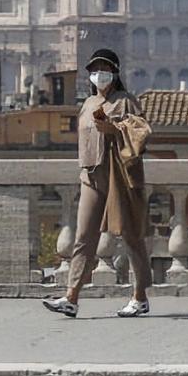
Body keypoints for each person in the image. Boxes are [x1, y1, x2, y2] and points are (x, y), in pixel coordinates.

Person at [43, 48, 153, 318]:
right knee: (83, 237)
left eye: (104, 69)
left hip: (119, 176)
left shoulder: (126, 101)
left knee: (131, 235)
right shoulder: (88, 104)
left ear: (114, 73)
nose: (98, 74)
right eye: (94, 70)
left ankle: (140, 297)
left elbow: (141, 132)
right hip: (90, 176)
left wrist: (114, 129)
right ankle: (71, 297)